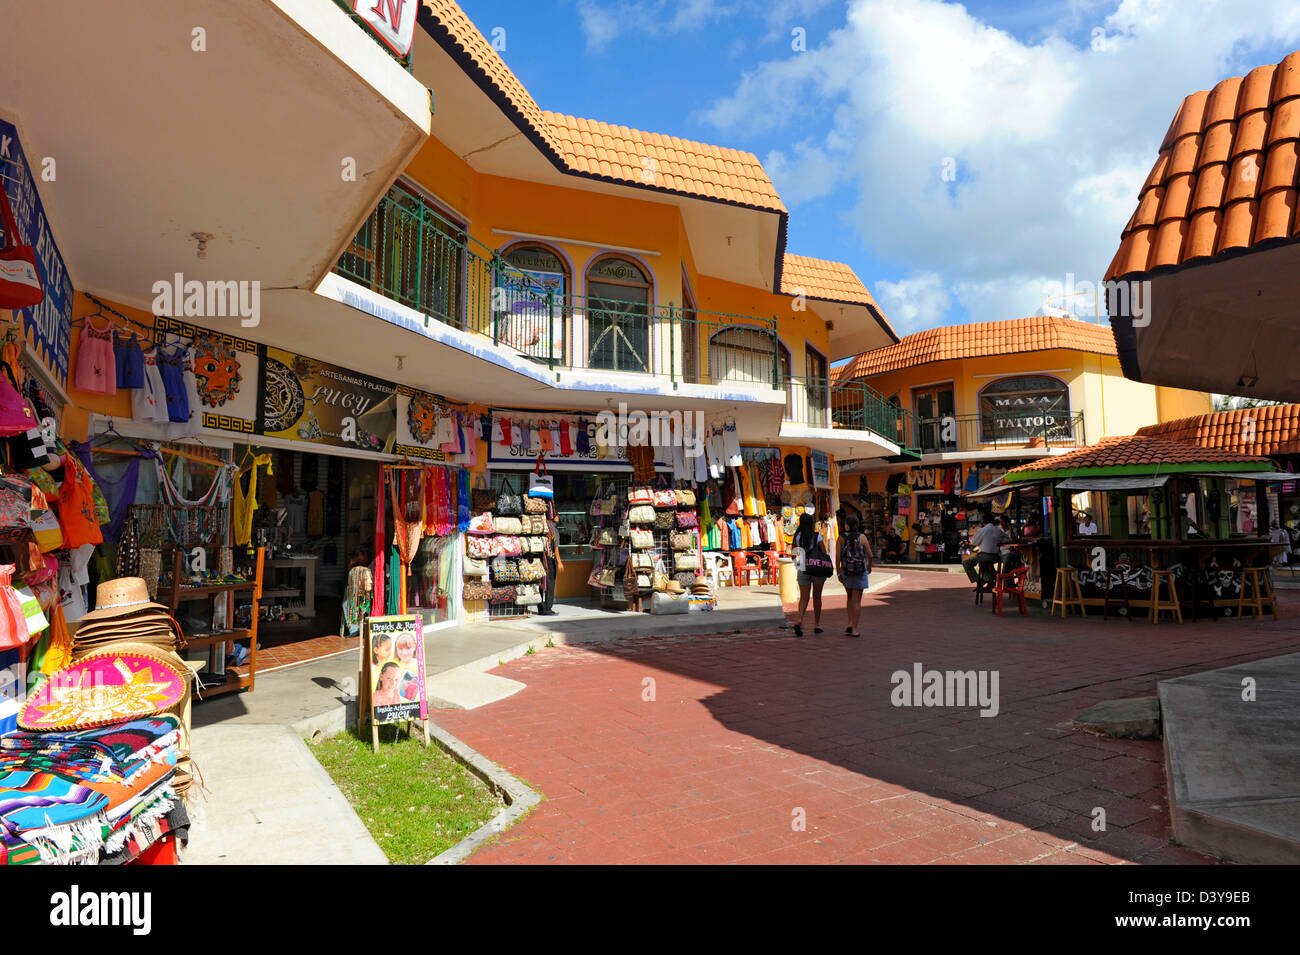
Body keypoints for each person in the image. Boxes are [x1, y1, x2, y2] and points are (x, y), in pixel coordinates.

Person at [791, 513, 829, 637]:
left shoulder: (798, 537)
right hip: (817, 568)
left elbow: (794, 554)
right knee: (817, 598)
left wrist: (799, 566)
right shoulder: (817, 536)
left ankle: (799, 620)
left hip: (803, 568)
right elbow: (823, 552)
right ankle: (817, 625)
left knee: (803, 597)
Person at [838, 515, 873, 638]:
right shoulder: (862, 537)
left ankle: (849, 622)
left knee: (849, 597)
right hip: (859, 571)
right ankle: (854, 628)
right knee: (857, 601)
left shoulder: (841, 538)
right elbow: (870, 555)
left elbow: (837, 558)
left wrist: (838, 572)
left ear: (847, 525)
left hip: (847, 571)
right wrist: (869, 566)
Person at [963, 513, 1007, 586]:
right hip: (996, 556)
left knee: (966, 563)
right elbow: (1007, 540)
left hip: (985, 555)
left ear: (983, 521)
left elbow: (974, 542)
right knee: (983, 563)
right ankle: (991, 579)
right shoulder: (998, 530)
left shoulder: (982, 530)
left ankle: (978, 581)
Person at [538, 506, 564, 616]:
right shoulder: (553, 529)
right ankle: (547, 608)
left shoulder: (543, 525)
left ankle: (540, 607)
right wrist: (559, 562)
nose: (559, 517)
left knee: (540, 582)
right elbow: (555, 547)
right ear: (553, 515)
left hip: (540, 557)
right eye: (557, 515)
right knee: (550, 583)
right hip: (549, 559)